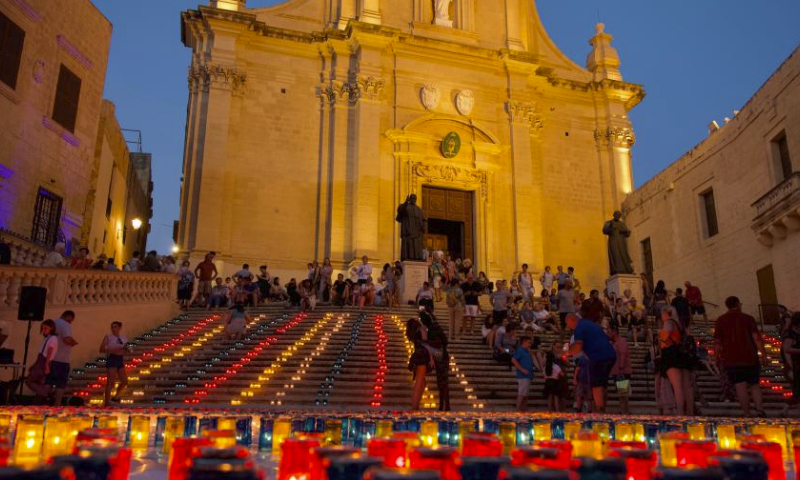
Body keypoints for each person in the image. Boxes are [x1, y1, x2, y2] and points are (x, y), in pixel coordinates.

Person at [714, 296, 768, 417]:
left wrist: (716, 356)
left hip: (732, 359)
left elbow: (717, 342)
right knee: (754, 384)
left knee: (740, 385)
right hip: (750, 357)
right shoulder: (748, 318)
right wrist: (763, 354)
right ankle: (760, 410)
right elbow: (756, 338)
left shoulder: (721, 320)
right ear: (738, 304)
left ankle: (747, 413)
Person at [566, 312, 616, 413]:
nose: (568, 326)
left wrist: (566, 353)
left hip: (598, 356)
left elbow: (578, 347)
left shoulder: (579, 327)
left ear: (572, 320)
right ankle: (602, 408)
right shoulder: (589, 324)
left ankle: (600, 410)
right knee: (602, 384)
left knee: (596, 385)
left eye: (567, 323)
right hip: (610, 355)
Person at [658, 306, 694, 416]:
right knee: (686, 386)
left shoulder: (668, 322)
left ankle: (680, 412)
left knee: (677, 386)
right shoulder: (679, 324)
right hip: (681, 354)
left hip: (671, 354)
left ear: (665, 313)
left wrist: (660, 336)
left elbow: (665, 335)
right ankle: (690, 411)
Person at [420, 312, 450, 411]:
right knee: (442, 382)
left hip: (441, 357)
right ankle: (443, 405)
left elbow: (439, 342)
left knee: (442, 382)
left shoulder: (432, 330)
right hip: (442, 357)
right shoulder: (435, 327)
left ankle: (445, 405)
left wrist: (426, 342)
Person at [25, 320, 58, 404]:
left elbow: (50, 350)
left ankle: (44, 393)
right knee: (38, 382)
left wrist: (46, 364)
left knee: (30, 380)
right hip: (41, 360)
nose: (43, 330)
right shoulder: (47, 338)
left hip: (44, 360)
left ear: (52, 328)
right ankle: (40, 398)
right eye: (42, 328)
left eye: (45, 328)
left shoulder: (53, 338)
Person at [50, 311, 77, 406]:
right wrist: (74, 343)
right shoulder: (65, 324)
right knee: (60, 383)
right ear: (68, 316)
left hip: (50, 357)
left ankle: (42, 401)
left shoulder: (53, 323)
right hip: (62, 359)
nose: (71, 322)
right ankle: (57, 403)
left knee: (48, 382)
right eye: (71, 320)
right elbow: (67, 339)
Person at [100, 321, 129, 406]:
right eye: (112, 327)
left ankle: (116, 397)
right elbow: (101, 349)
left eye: (115, 327)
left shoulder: (123, 337)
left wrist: (126, 350)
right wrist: (112, 350)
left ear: (120, 328)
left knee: (124, 381)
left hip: (120, 359)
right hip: (112, 358)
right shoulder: (108, 337)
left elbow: (125, 348)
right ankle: (107, 401)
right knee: (110, 382)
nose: (113, 329)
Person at [781, 313, 800, 416]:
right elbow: (786, 349)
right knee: (797, 389)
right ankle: (786, 408)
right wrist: (790, 366)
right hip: (795, 365)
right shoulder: (790, 334)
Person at [609, 328, 631, 414]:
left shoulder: (621, 342)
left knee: (623, 394)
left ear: (614, 332)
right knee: (621, 394)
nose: (608, 334)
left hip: (621, 371)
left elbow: (622, 355)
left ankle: (624, 411)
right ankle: (623, 410)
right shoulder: (614, 343)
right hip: (617, 371)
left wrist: (621, 368)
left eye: (610, 332)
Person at [511, 336, 535, 411]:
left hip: (528, 375)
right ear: (524, 342)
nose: (530, 344)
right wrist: (522, 369)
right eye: (529, 343)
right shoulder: (520, 350)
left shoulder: (526, 351)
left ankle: (524, 410)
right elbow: (513, 360)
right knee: (522, 394)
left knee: (525, 395)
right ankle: (518, 410)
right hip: (523, 376)